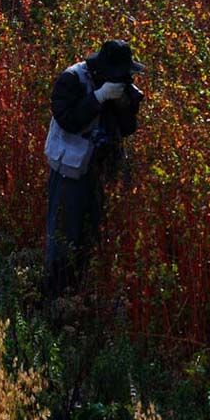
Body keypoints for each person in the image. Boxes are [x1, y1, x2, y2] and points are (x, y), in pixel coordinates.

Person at [43, 39, 144, 298]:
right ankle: (54, 297)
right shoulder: (72, 79)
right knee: (64, 235)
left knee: (93, 235)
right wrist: (98, 98)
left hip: (103, 170)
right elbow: (68, 120)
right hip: (70, 171)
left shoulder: (117, 86)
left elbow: (128, 127)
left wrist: (123, 105)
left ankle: (80, 295)